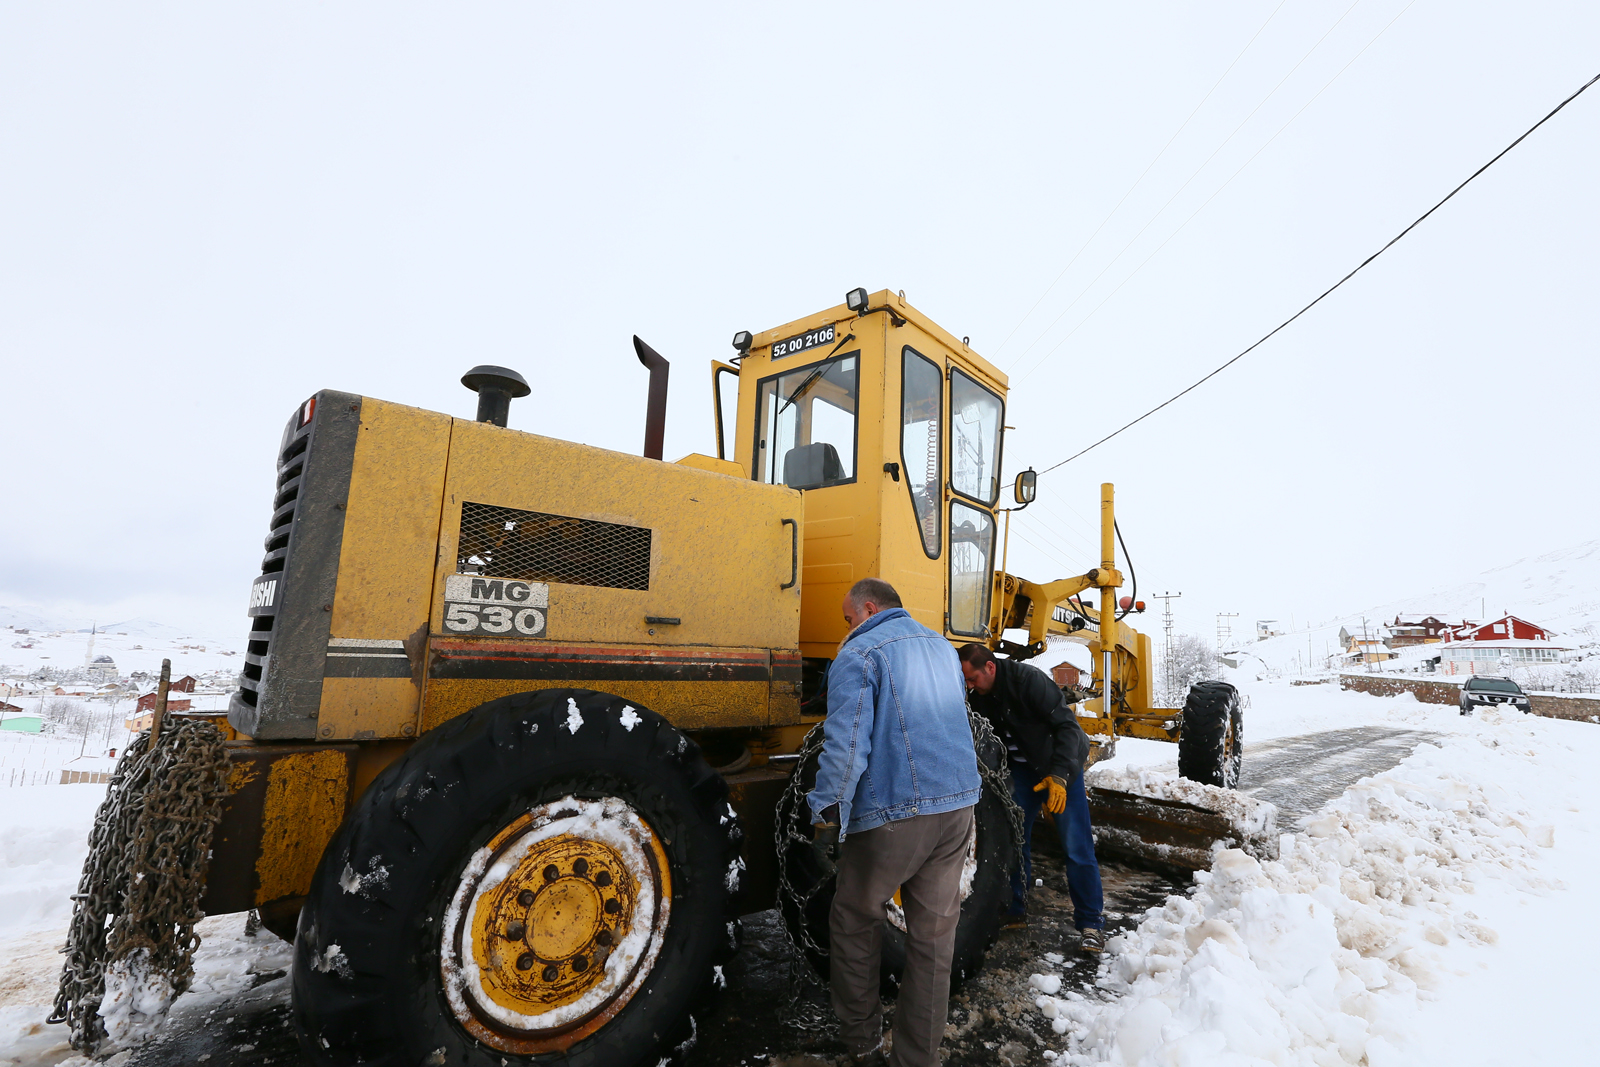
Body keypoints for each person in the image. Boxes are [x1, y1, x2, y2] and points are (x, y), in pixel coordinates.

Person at [808, 578, 981, 1067]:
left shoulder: (861, 653)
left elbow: (845, 745)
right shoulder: (943, 648)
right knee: (932, 939)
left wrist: (826, 809)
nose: (846, 629)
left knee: (854, 919)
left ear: (867, 608)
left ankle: (862, 1046)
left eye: (847, 619)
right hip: (958, 806)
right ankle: (916, 1059)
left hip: (897, 812)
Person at [956, 643, 1106, 953]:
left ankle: (1091, 923)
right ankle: (1016, 909)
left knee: (1076, 844)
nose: (969, 686)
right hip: (1021, 774)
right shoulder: (979, 695)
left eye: (972, 679)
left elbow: (1068, 728)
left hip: (1058, 769)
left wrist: (1060, 777)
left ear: (990, 668)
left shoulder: (1029, 681)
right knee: (1014, 839)